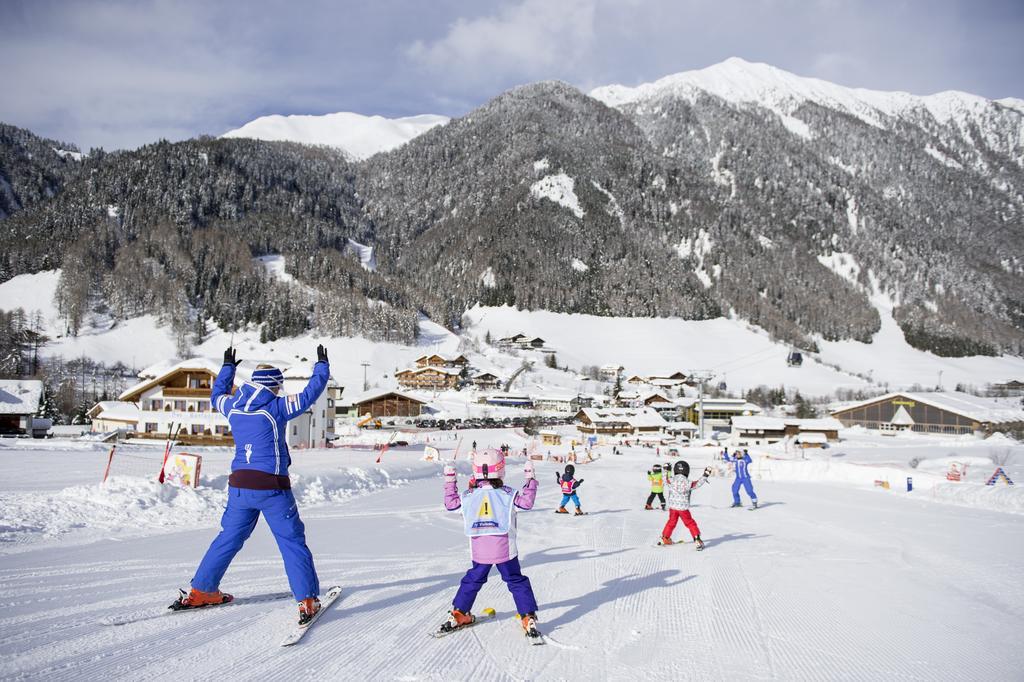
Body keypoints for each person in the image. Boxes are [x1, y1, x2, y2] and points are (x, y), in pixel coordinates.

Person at [172, 345, 330, 625]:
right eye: (279, 386)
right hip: (272, 488)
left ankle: (201, 591)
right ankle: (307, 600)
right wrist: (321, 367)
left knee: (228, 538)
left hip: (239, 488)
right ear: (274, 386)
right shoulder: (276, 407)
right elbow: (309, 395)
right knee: (292, 542)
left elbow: (215, 395)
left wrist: (227, 367)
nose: (280, 391)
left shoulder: (233, 405)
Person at [440, 448, 541, 639]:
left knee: (473, 579)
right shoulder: (507, 494)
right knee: (516, 581)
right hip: (505, 550)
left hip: (480, 551)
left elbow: (451, 504)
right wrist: (530, 479)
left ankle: (459, 613)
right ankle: (528, 616)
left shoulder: (469, 496)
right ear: (501, 469)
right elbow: (526, 503)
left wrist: (450, 479)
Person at [661, 460, 711, 550]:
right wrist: (705, 475)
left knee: (671, 522)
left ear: (675, 470)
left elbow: (664, 480)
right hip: (683, 508)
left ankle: (665, 537)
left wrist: (665, 469)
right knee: (690, 523)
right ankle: (697, 539)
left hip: (673, 507)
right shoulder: (688, 483)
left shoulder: (671, 480)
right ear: (686, 471)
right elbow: (698, 483)